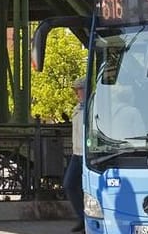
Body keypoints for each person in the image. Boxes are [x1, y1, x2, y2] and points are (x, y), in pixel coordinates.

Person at [64, 78, 87, 232]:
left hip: (87, 154)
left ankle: (88, 220)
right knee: (69, 184)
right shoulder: (77, 109)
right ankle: (83, 217)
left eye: (78, 89)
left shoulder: (92, 107)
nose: (76, 92)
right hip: (77, 153)